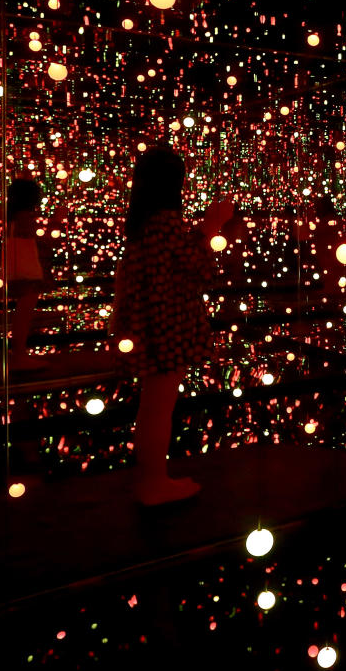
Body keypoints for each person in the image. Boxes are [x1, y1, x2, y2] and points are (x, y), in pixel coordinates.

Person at [111, 148, 232, 506]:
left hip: (149, 324)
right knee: (159, 406)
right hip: (167, 327)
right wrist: (212, 224)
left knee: (152, 404)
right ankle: (153, 483)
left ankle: (150, 478)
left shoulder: (143, 223)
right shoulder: (165, 222)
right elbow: (200, 267)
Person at [2, 178, 52, 371]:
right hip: (27, 272)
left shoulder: (12, 217)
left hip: (18, 270)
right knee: (23, 314)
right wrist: (56, 220)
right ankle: (19, 355)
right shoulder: (24, 217)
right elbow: (42, 241)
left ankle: (19, 353)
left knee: (21, 313)